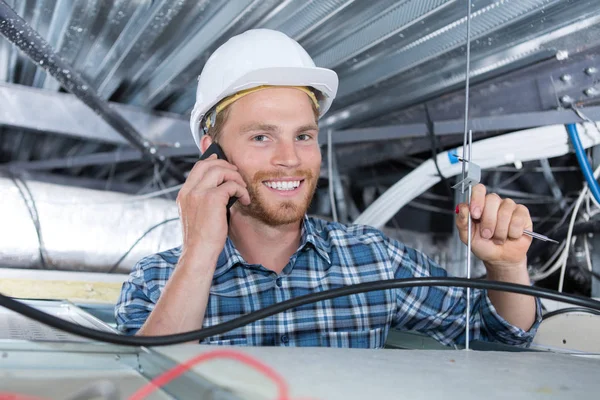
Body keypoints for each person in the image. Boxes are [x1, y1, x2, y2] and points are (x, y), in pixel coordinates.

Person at [115, 29, 541, 348]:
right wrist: (200, 252)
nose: (291, 158)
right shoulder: (154, 282)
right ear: (212, 154)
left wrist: (505, 268)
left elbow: (495, 335)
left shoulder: (375, 261)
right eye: (261, 137)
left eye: (303, 136)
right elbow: (143, 384)